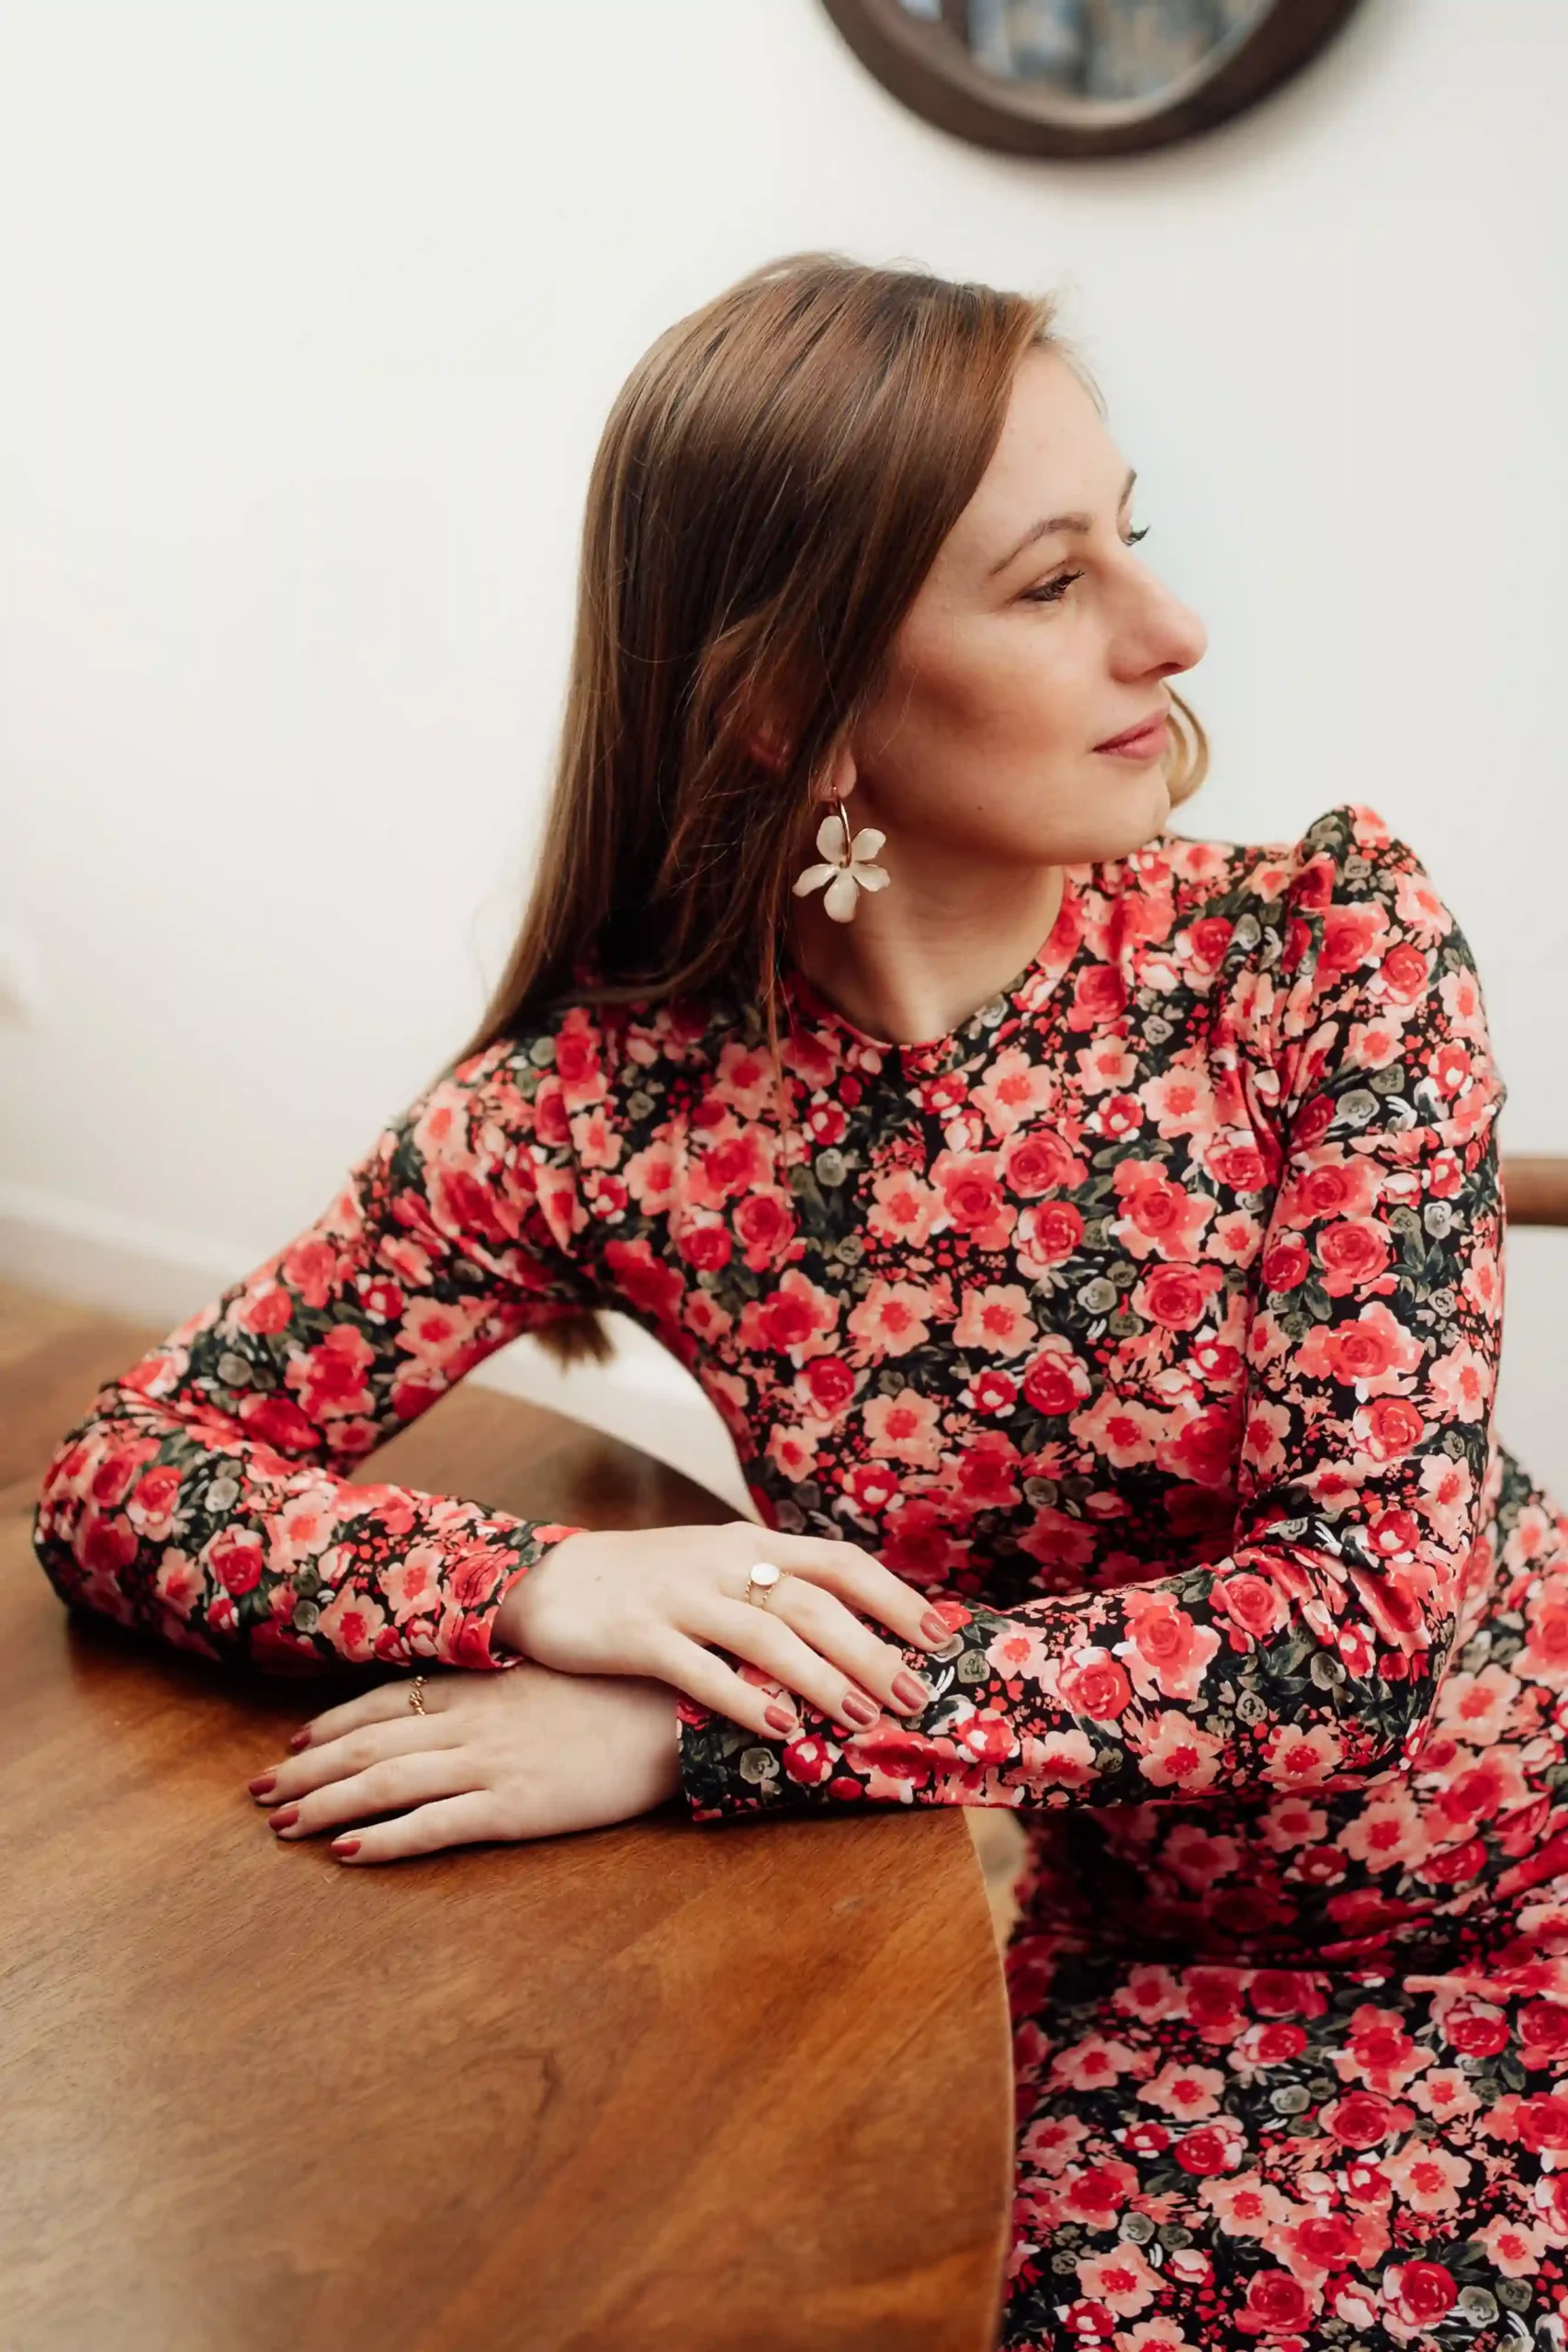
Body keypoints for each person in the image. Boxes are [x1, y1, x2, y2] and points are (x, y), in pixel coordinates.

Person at [33, 252, 1568, 2352]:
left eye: (1129, 540)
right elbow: (124, 1482)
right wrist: (544, 1587)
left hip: (1538, 1886)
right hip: (1127, 1962)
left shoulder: (1324, 944)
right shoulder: (605, 1106)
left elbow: (1356, 1627)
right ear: (791, 704)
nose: (1171, 629)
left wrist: (706, 1735)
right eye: (1052, 581)